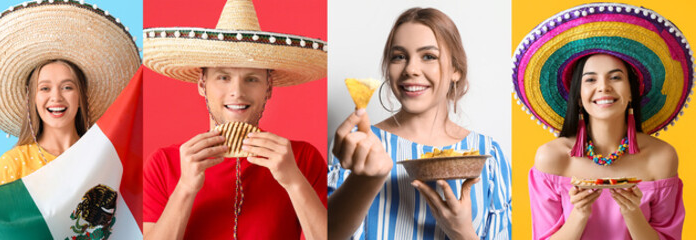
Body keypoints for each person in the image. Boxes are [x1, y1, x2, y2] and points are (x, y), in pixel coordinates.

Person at [141, 0, 328, 239]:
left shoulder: (301, 158)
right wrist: (185, 188)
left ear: (268, 88)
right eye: (223, 77)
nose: (237, 92)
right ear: (202, 84)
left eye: (252, 79)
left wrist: (293, 181)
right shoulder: (164, 164)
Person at [328, 7, 511, 240]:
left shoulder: (489, 154)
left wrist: (463, 233)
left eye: (428, 56)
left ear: (456, 69)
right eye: (399, 56)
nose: (411, 70)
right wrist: (365, 179)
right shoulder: (357, 144)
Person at [513, 3, 689, 239]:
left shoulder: (662, 157)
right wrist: (579, 213)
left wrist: (632, 213)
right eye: (590, 80)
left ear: (630, 92)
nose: (603, 87)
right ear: (577, 97)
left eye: (615, 77)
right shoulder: (551, 158)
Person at [0, 3, 139, 186]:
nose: (56, 97)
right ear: (33, 98)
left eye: (67, 87)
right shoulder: (13, 163)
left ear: (81, 97)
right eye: (45, 88)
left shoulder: (108, 161)